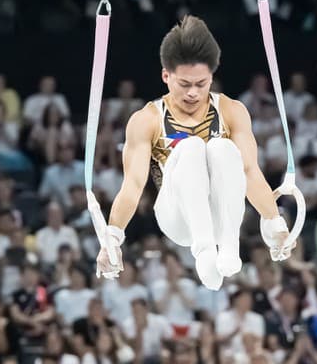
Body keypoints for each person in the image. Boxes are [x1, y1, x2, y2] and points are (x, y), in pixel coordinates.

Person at [95, 15, 295, 290]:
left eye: (201, 84)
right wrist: (112, 239)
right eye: (184, 84)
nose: (193, 93)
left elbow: (249, 172)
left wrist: (275, 224)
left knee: (222, 148)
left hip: (221, 210)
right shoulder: (147, 119)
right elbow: (133, 186)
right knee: (190, 146)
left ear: (211, 77)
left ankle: (227, 244)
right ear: (166, 76)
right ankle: (204, 251)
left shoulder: (232, 111)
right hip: (177, 215)